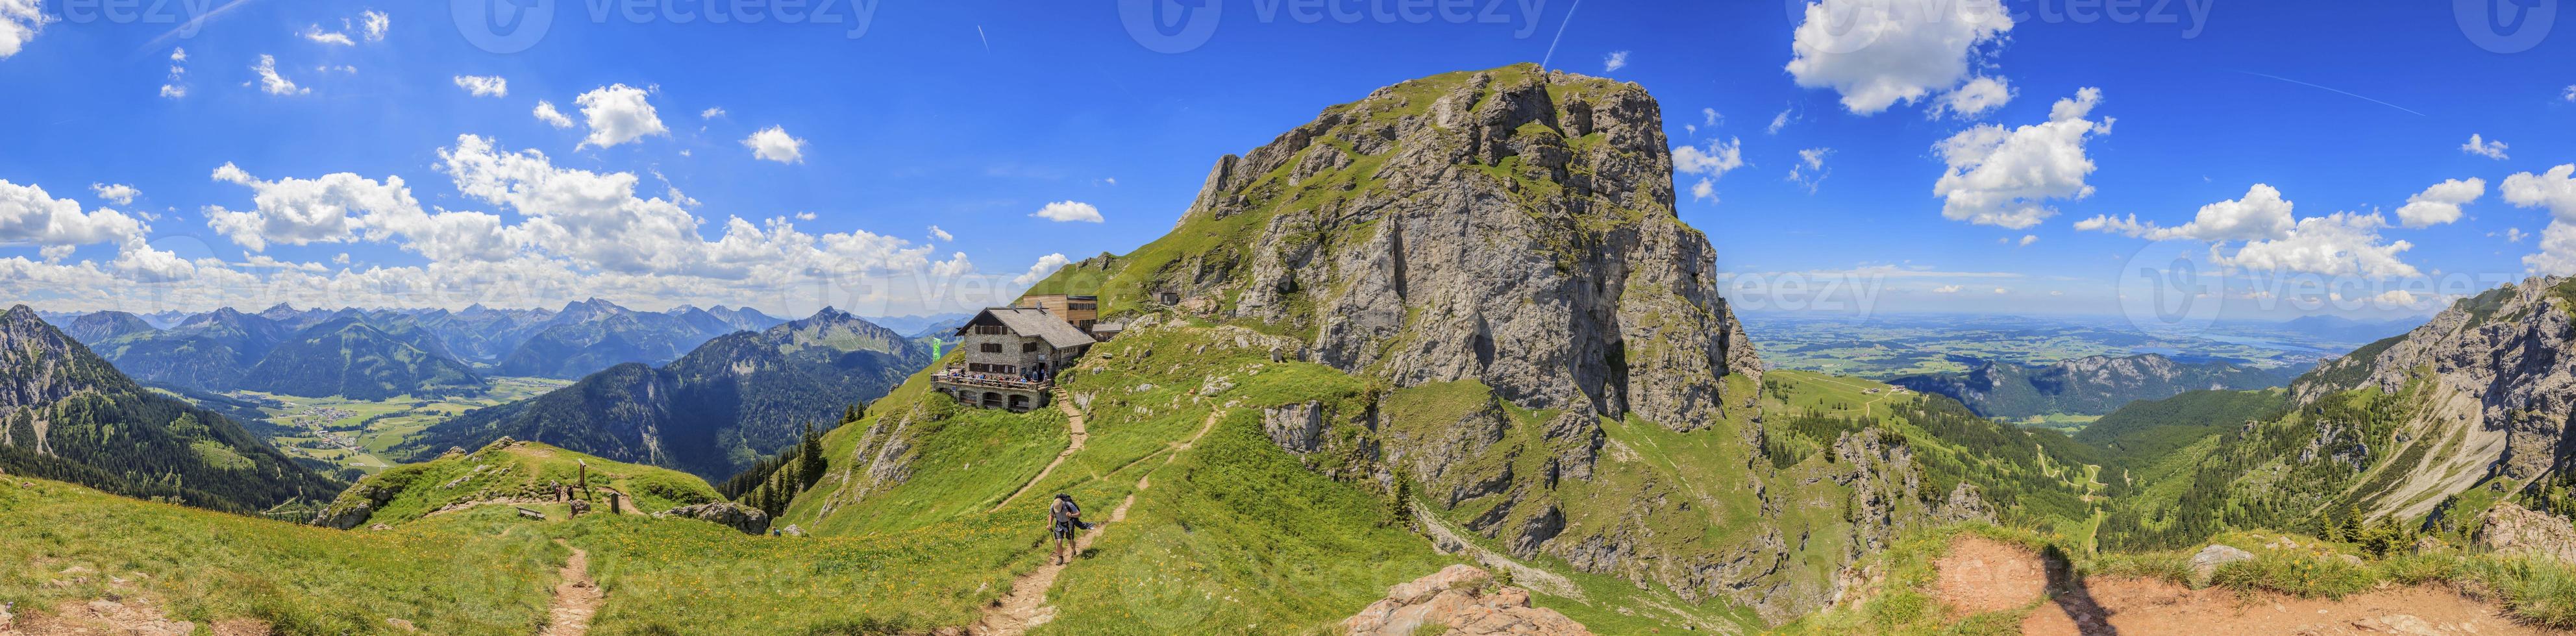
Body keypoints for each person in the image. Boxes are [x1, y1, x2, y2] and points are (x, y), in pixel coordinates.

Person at [1048, 493, 1093, 565]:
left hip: (1069, 523)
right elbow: (1051, 515)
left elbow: (1079, 514)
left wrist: (1071, 515)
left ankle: (1073, 551)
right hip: (1059, 525)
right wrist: (1050, 524)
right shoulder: (1053, 506)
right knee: (1058, 543)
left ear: (1062, 504)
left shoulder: (1068, 505)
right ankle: (1060, 558)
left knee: (1071, 541)